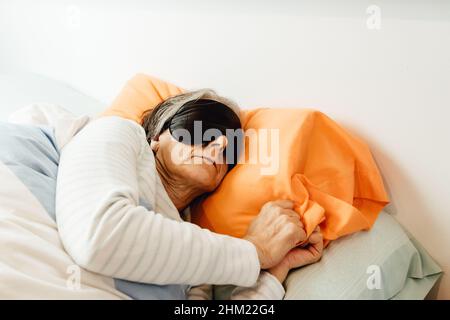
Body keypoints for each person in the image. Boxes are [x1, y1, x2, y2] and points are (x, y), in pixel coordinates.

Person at [55, 89, 323, 300]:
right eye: (204, 127)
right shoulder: (118, 132)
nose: (221, 144)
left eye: (233, 147)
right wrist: (258, 250)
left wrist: (274, 274)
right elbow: (100, 239)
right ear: (157, 135)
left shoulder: (196, 259)